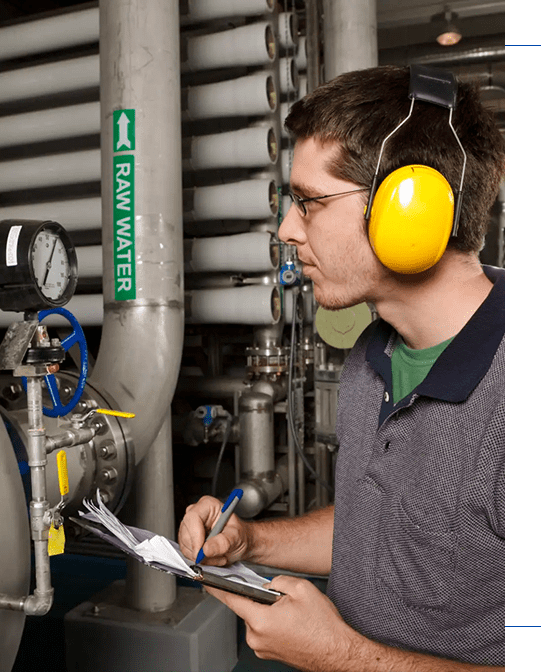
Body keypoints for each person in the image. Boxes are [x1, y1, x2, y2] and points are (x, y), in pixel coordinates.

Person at [179, 65, 505, 672]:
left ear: (409, 209)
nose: (286, 230)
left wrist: (341, 657)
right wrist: (253, 540)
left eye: (309, 203)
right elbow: (383, 531)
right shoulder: (370, 355)